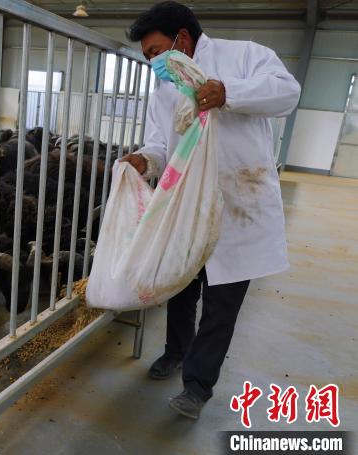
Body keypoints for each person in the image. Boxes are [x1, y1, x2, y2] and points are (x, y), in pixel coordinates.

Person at [121, 1, 301, 419]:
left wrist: (229, 92)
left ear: (182, 38)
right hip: (187, 208)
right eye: (148, 57)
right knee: (181, 287)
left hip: (238, 205)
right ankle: (175, 353)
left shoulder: (244, 57)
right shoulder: (164, 89)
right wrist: (144, 161)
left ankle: (197, 387)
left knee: (221, 304)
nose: (154, 63)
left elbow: (287, 92)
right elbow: (161, 144)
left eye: (155, 52)